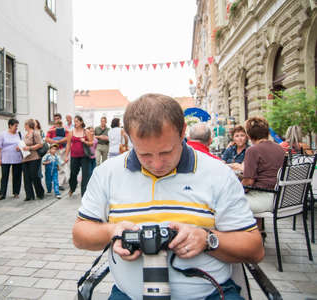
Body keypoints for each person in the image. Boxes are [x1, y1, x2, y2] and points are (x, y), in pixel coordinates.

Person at [72, 93, 264, 300]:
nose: (156, 164)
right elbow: (80, 235)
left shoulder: (218, 174)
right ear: (129, 136)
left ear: (183, 132)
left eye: (166, 152)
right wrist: (113, 231)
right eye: (144, 154)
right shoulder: (107, 173)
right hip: (130, 294)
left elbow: (254, 249)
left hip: (209, 294)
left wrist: (207, 239)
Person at [242, 117, 285, 220]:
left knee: (224, 203)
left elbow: (248, 182)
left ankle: (248, 234)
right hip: (279, 198)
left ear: (249, 135)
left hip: (263, 200)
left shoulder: (253, 150)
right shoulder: (280, 148)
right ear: (267, 132)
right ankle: (259, 231)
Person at [64, 115, 92, 197]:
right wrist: (66, 156)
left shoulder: (86, 132)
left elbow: (91, 143)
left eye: (77, 121)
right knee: (73, 174)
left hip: (84, 156)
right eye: (74, 121)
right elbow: (68, 145)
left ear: (81, 122)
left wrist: (85, 141)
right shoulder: (71, 132)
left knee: (85, 175)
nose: (75, 123)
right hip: (74, 156)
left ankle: (84, 193)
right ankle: (72, 188)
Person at [0, 119, 23, 200]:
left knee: (17, 176)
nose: (16, 128)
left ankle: (16, 192)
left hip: (17, 158)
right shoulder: (2, 134)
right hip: (5, 158)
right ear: (10, 125)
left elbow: (23, 144)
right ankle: (2, 194)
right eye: (15, 126)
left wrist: (20, 148)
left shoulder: (19, 134)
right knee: (4, 176)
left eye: (17, 126)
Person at [21, 119, 45, 201]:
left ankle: (40, 193)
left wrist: (29, 148)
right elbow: (23, 145)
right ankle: (29, 195)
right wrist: (20, 148)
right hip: (25, 158)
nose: (24, 126)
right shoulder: (25, 135)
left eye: (25, 124)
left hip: (34, 157)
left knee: (34, 176)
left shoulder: (35, 133)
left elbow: (41, 144)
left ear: (28, 125)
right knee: (26, 177)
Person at [46, 113, 70, 189]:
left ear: (60, 119)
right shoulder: (51, 129)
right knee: (54, 166)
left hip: (62, 149)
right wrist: (54, 142)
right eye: (55, 119)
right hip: (54, 150)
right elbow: (46, 138)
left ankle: (60, 184)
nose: (56, 120)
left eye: (58, 119)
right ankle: (55, 181)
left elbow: (68, 138)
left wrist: (58, 141)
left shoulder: (64, 128)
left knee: (61, 165)